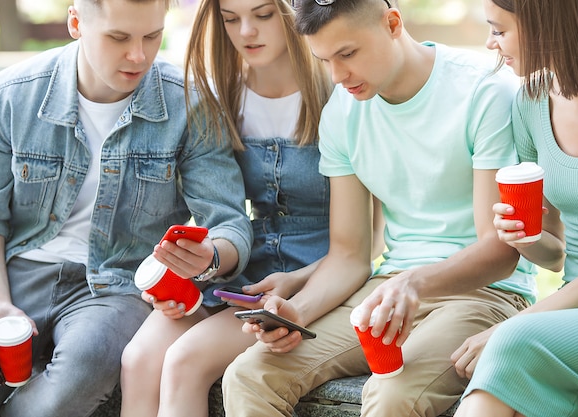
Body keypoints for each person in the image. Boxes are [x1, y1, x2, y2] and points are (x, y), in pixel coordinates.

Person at [220, 1, 539, 416]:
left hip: (482, 296)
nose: (338, 76)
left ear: (392, 23)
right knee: (248, 375)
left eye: (348, 54)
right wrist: (296, 312)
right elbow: (349, 255)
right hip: (386, 292)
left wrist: (415, 283)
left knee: (392, 394)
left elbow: (499, 252)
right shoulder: (341, 112)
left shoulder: (483, 91)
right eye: (325, 60)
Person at [0, 0, 253, 416]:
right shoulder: (3, 99)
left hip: (115, 285)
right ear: (76, 22)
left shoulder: (190, 103)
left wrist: (208, 258)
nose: (138, 55)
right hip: (11, 274)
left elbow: (230, 223)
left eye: (151, 36)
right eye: (119, 38)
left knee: (82, 370)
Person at [118, 0, 379, 416]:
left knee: (185, 361)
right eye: (230, 19)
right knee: (140, 359)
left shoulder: (341, 90)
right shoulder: (221, 96)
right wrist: (187, 270)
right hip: (244, 271)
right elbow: (222, 215)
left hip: (319, 276)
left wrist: (295, 281)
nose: (245, 33)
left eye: (262, 15)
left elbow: (370, 240)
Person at [452, 1, 578, 416]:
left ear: (544, 24)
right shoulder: (531, 101)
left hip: (564, 315)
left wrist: (509, 326)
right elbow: (557, 256)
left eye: (499, 30)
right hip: (573, 308)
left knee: (509, 346)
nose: (489, 43)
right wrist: (528, 239)